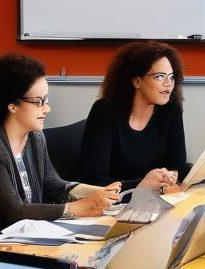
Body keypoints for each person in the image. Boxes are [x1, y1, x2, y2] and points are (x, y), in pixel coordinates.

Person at [0, 54, 119, 243]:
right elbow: (16, 211)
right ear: (12, 106)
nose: (47, 108)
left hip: (11, 236)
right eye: (39, 102)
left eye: (46, 100)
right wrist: (76, 208)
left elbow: (52, 184)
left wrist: (99, 193)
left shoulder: (34, 137)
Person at [78, 40, 187, 192]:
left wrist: (173, 176)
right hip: (114, 202)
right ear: (137, 81)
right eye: (160, 77)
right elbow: (93, 180)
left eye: (172, 77)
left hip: (158, 198)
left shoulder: (171, 109)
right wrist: (144, 185)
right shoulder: (104, 111)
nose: (169, 83)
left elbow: (178, 164)